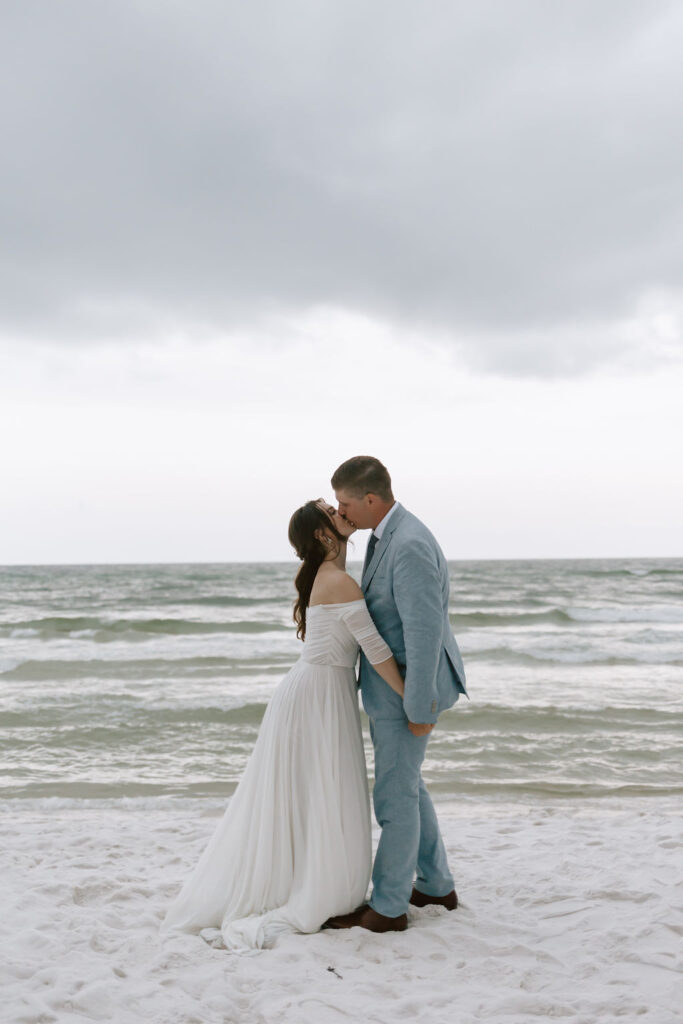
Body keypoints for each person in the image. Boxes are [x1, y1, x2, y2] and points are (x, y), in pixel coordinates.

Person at [159, 498, 405, 951]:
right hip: (315, 698)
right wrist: (413, 698)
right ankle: (315, 887)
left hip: (316, 694)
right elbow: (376, 650)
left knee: (315, 793)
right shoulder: (339, 582)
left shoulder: (330, 577)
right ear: (321, 533)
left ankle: (316, 879)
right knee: (317, 791)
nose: (340, 509)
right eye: (331, 510)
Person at [325, 456, 467, 934]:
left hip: (406, 690)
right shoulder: (388, 534)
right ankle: (436, 884)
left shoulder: (406, 544)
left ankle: (387, 908)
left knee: (394, 795)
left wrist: (419, 705)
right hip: (394, 688)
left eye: (346, 504)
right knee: (408, 785)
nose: (342, 513)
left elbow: (425, 633)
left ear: (370, 499)